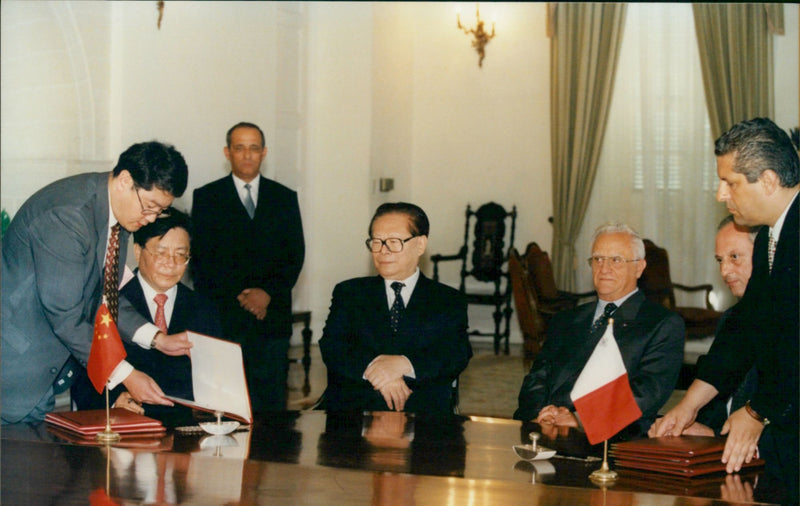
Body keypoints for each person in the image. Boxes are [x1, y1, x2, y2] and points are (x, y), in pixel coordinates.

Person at [650, 117, 798, 504]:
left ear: (767, 181)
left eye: (729, 182)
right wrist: (688, 405)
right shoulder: (771, 231)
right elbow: (747, 328)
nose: (720, 194)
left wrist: (756, 411)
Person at [1, 142, 193, 423]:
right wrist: (127, 375)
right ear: (125, 180)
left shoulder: (119, 214)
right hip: (13, 372)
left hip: (39, 373)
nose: (151, 219)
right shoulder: (67, 216)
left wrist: (157, 339)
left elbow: (101, 292)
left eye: (160, 211)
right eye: (150, 207)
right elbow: (66, 315)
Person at [514, 222, 685, 440]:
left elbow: (646, 392)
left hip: (611, 441)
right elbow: (536, 378)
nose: (604, 268)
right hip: (543, 430)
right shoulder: (566, 319)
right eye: (598, 259)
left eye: (616, 260)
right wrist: (540, 414)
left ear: (639, 268)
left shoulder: (662, 324)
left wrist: (579, 419)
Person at [191, 122, 305, 413]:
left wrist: (266, 293)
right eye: (239, 148)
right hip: (226, 319)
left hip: (272, 319)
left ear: (264, 152)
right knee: (226, 405)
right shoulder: (207, 198)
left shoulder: (284, 198)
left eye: (254, 148)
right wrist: (244, 297)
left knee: (271, 407)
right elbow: (202, 261)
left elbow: (294, 255)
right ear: (227, 152)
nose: (247, 155)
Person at [318, 202, 472, 415]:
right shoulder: (350, 293)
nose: (383, 251)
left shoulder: (446, 300)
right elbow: (333, 346)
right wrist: (379, 374)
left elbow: (456, 353)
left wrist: (404, 364)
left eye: (394, 242)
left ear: (420, 245)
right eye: (377, 242)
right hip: (355, 412)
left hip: (423, 416)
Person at [70, 209, 222, 423]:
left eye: (180, 254)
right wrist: (114, 402)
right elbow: (82, 375)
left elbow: (218, 380)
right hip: (122, 432)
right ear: (138, 252)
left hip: (184, 438)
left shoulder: (204, 309)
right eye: (161, 253)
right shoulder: (109, 302)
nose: (171, 263)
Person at [687, 216, 758, 437]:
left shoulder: (790, 320)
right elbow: (718, 395)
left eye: (735, 257)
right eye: (720, 260)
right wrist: (708, 432)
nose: (724, 271)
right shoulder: (731, 318)